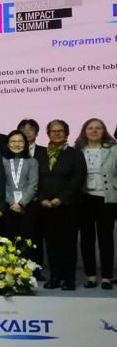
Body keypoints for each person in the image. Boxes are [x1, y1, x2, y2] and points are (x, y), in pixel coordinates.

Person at [39, 120, 86, 291]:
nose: (57, 133)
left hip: (68, 206)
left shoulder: (75, 154)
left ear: (66, 133)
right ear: (48, 134)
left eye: (60, 131)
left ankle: (69, 279)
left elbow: (78, 179)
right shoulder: (41, 154)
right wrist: (42, 198)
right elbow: (35, 178)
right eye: (53, 131)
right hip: (46, 206)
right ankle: (55, 277)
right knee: (51, 244)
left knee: (68, 244)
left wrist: (61, 198)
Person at [75, 118, 117, 289]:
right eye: (90, 128)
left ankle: (106, 277)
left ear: (104, 131)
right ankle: (91, 276)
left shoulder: (113, 149)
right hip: (84, 198)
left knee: (106, 238)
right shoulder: (78, 150)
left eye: (98, 128)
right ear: (84, 131)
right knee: (86, 239)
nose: (94, 131)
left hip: (106, 198)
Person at [1, 130, 38, 251]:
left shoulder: (32, 162)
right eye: (13, 141)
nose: (16, 144)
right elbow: (1, 184)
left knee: (26, 242)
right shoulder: (2, 161)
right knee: (9, 242)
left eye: (20, 141)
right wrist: (12, 203)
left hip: (28, 206)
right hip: (8, 206)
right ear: (7, 144)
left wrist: (21, 203)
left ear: (25, 144)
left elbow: (33, 185)